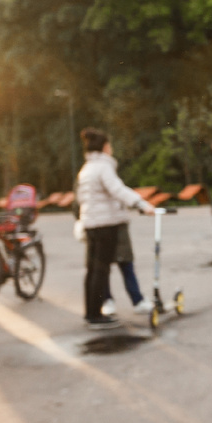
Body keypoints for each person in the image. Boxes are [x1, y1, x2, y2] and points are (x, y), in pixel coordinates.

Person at [76, 128, 154, 329]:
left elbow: (80, 198)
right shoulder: (103, 167)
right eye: (109, 145)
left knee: (93, 270)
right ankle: (96, 317)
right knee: (100, 270)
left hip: (91, 225)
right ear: (104, 147)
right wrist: (141, 204)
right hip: (105, 225)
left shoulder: (86, 168)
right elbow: (117, 190)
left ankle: (91, 312)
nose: (111, 148)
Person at [100, 222, 154, 317]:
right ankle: (107, 300)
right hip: (99, 227)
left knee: (126, 265)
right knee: (103, 268)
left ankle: (137, 300)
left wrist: (143, 206)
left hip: (119, 226)